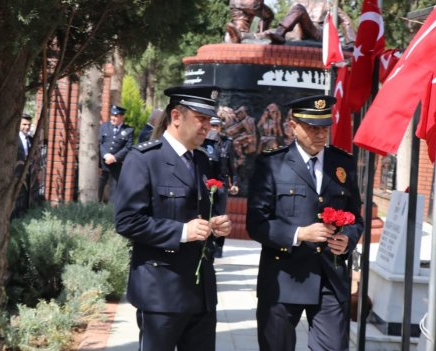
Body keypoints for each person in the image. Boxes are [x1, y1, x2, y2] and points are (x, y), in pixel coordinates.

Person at [113, 85, 232, 351]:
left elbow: (198, 213)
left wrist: (215, 225)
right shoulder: (144, 159)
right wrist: (182, 232)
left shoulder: (202, 160)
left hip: (201, 292)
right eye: (200, 119)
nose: (207, 127)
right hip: (161, 291)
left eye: (209, 120)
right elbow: (127, 220)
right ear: (176, 117)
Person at [246, 95, 364, 351]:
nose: (320, 134)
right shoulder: (272, 164)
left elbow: (356, 217)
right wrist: (299, 233)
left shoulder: (342, 164)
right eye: (312, 127)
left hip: (330, 278)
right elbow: (256, 222)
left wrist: (348, 240)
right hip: (284, 276)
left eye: (324, 127)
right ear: (293, 126)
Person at [201, 117, 239, 258]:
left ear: (221, 127)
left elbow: (232, 166)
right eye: (212, 125)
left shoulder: (227, 143)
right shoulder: (204, 142)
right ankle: (207, 246)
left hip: (221, 186)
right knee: (207, 215)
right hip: (207, 186)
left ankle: (218, 248)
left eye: (217, 126)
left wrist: (234, 183)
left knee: (220, 216)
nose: (214, 128)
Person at [98, 105, 134, 203]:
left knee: (115, 188)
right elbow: (100, 143)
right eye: (112, 115)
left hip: (117, 165)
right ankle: (96, 205)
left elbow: (128, 147)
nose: (113, 118)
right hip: (104, 163)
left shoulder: (128, 130)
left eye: (116, 116)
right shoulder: (104, 126)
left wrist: (114, 157)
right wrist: (106, 155)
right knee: (100, 185)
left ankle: (111, 209)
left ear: (122, 117)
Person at [12, 113, 33, 218]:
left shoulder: (30, 139)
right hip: (15, 173)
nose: (27, 127)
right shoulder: (14, 139)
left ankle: (21, 216)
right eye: (24, 124)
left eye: (29, 124)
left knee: (23, 198)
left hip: (26, 175)